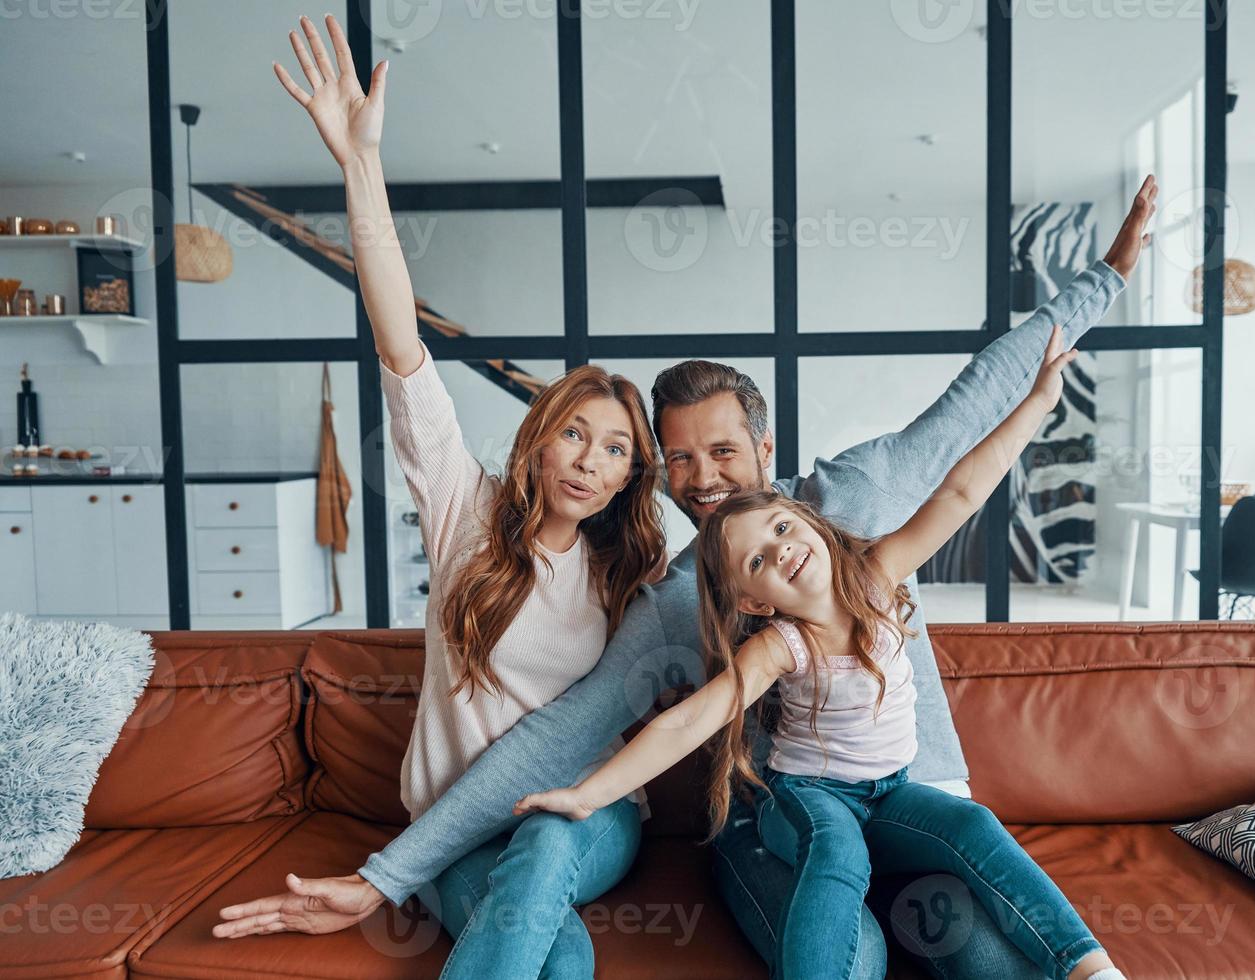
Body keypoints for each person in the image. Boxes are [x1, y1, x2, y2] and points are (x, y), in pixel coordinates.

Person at [212, 15, 1159, 970]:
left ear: (766, 446)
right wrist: (388, 872)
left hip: (917, 797)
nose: (701, 481)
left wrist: (1106, 281)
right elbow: (567, 732)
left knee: (985, 955)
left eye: (721, 453)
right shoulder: (673, 600)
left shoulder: (857, 501)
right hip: (771, 823)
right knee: (857, 958)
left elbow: (975, 411)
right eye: (677, 460)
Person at [211, 15, 669, 978]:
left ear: (632, 474)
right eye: (575, 432)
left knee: (547, 845)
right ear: (542, 438)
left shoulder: (631, 575)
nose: (589, 460)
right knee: (553, 949)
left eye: (617, 449)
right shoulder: (465, 509)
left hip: (588, 816)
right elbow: (402, 348)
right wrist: (360, 166)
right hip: (446, 831)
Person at [515, 324, 1127, 980]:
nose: (780, 549)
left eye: (781, 527)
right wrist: (587, 795)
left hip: (891, 792)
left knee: (974, 831)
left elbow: (961, 490)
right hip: (804, 796)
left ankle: (1090, 967)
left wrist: (1037, 402)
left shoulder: (877, 573)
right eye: (758, 558)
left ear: (804, 513)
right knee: (838, 858)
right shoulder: (781, 645)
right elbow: (692, 719)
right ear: (753, 601)